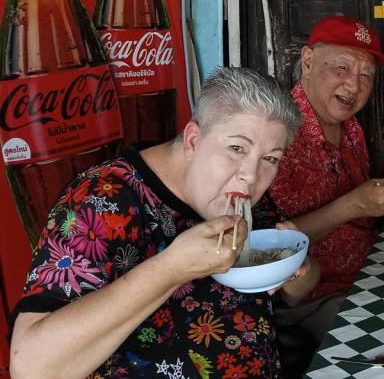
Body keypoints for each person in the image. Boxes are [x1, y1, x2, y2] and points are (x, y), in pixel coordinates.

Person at [8, 67, 316, 378]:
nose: (251, 174)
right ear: (193, 140)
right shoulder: (101, 199)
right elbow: (31, 368)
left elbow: (297, 291)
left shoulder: (243, 195)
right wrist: (171, 269)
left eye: (270, 158)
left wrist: (296, 269)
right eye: (236, 148)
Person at [253, 16, 384, 372]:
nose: (353, 84)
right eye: (341, 68)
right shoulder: (276, 134)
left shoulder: (350, 128)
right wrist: (352, 206)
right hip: (313, 297)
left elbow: (361, 209)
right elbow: (266, 245)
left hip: (369, 271)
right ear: (308, 61)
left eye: (366, 75)